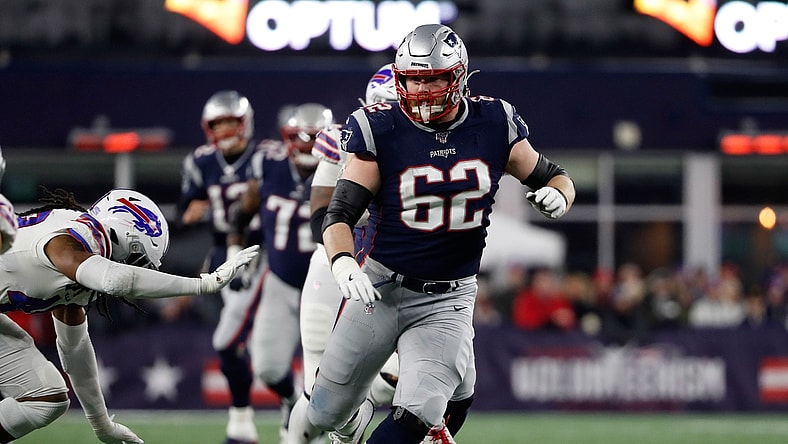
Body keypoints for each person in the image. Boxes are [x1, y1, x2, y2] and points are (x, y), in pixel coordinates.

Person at [307, 24, 576, 444]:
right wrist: (343, 261)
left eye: (432, 77)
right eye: (413, 79)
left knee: (420, 413)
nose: (422, 89)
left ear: (459, 76)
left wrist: (559, 195)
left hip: (447, 297)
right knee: (322, 413)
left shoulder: (493, 121)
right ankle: (354, 422)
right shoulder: (380, 127)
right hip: (378, 286)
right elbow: (339, 213)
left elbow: (553, 174)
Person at [0, 187, 258, 444]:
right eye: (136, 258)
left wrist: (102, 424)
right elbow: (114, 279)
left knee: (46, 397)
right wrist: (204, 284)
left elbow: (75, 350)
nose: (135, 267)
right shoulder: (72, 239)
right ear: (122, 235)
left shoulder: (80, 262)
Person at [286, 65, 402, 444]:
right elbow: (319, 215)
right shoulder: (348, 139)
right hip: (336, 265)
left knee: (404, 373)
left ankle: (358, 416)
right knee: (316, 392)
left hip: (396, 271)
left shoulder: (435, 148)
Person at [228, 102, 334, 443]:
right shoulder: (269, 165)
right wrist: (234, 255)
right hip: (282, 282)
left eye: (315, 138)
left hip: (328, 286)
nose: (306, 144)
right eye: (299, 137)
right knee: (269, 368)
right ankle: (292, 400)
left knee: (329, 377)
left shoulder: (344, 167)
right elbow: (240, 216)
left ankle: (318, 429)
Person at [179, 90, 265, 444]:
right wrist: (190, 213)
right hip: (223, 255)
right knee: (232, 338)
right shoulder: (200, 162)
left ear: (245, 124)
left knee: (255, 337)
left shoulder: (264, 157)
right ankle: (241, 414)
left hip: (265, 251)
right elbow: (187, 209)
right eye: (219, 124)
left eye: (232, 122)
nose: (226, 130)